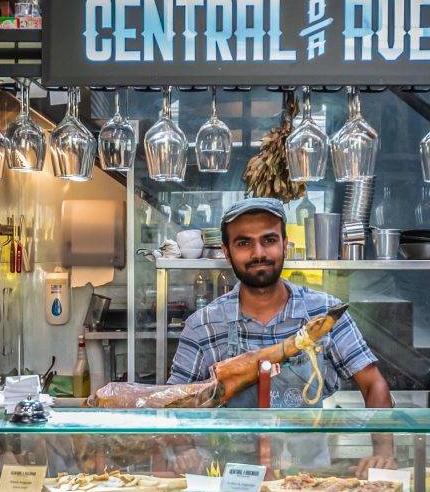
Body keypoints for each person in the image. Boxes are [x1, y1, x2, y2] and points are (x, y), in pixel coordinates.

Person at [167, 197, 396, 477]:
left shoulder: (324, 314)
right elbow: (174, 403)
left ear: (285, 244)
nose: (258, 252)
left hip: (308, 481)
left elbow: (373, 384)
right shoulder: (203, 324)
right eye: (244, 243)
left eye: (269, 240)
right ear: (227, 252)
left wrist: (383, 454)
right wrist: (185, 449)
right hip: (230, 482)